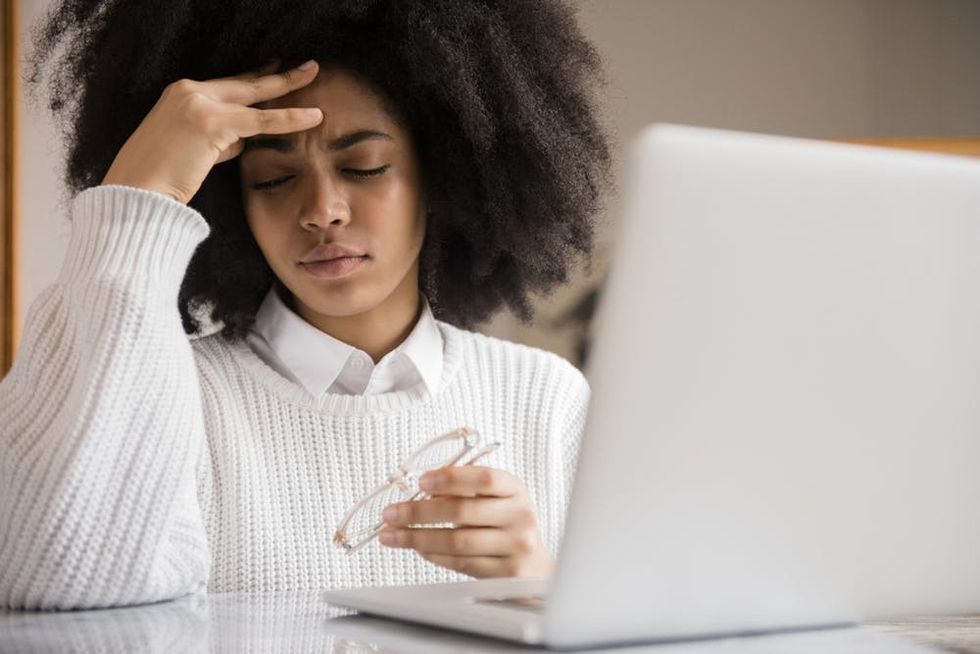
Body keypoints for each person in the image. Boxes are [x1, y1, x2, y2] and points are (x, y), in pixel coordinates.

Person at [0, 0, 611, 610]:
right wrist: (139, 195)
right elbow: (51, 581)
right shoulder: (175, 396)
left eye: (364, 167)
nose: (322, 209)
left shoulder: (547, 399)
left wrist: (545, 587)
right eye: (272, 178)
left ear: (444, 175)